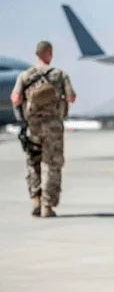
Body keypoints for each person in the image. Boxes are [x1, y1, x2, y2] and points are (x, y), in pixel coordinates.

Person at [10, 41, 76, 218]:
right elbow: (70, 97)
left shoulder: (25, 76)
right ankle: (48, 205)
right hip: (53, 127)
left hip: (33, 127)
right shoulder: (59, 75)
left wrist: (23, 120)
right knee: (53, 165)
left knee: (33, 163)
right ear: (49, 53)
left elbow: (15, 99)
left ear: (36, 54)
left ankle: (35, 201)